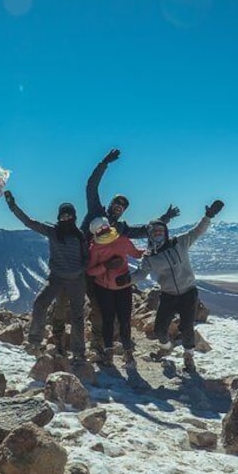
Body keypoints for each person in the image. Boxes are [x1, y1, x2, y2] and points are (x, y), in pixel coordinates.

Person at [53, 148, 180, 361]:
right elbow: (91, 186)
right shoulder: (96, 211)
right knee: (63, 302)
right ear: (111, 204)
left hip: (98, 272)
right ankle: (57, 340)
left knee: (99, 309)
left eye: (123, 206)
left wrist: (164, 219)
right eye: (117, 203)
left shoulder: (121, 228)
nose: (119, 207)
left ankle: (98, 344)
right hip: (76, 264)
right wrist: (105, 163)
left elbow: (142, 230)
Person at [132, 200, 225, 374]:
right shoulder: (150, 257)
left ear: (165, 232)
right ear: (150, 236)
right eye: (154, 232)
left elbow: (197, 231)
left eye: (160, 230)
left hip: (188, 293)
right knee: (160, 329)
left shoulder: (179, 243)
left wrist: (208, 216)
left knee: (187, 327)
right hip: (168, 295)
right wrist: (121, 280)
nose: (158, 234)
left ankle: (188, 356)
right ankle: (166, 347)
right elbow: (140, 275)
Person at [3, 190, 88, 363]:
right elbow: (29, 223)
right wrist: (13, 206)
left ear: (74, 217)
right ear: (58, 218)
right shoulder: (53, 232)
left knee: (77, 316)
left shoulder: (80, 236)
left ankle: (79, 352)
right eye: (63, 216)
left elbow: (86, 257)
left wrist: (82, 271)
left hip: (77, 279)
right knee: (40, 304)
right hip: (56, 277)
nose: (65, 219)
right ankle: (34, 342)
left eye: (68, 216)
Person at [86, 216, 143, 368]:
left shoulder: (121, 241)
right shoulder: (96, 247)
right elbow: (90, 271)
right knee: (109, 320)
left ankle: (126, 353)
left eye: (103, 227)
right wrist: (106, 266)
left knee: (123, 320)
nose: (102, 231)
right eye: (99, 229)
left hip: (120, 287)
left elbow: (137, 254)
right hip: (106, 288)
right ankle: (111, 352)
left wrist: (155, 251)